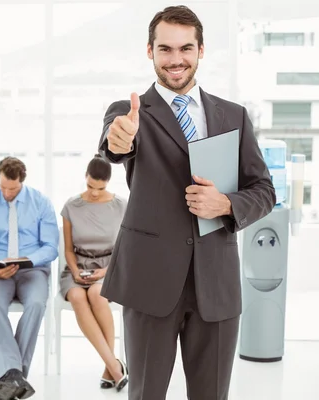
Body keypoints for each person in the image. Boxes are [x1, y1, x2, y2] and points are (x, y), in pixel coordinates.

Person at [98, 6, 276, 400]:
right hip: (150, 281)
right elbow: (114, 145)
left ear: (200, 50)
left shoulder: (233, 116)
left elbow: (264, 190)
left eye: (185, 48)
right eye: (165, 49)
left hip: (216, 282)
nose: (175, 60)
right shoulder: (129, 113)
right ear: (150, 51)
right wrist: (119, 139)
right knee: (146, 394)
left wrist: (225, 204)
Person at [0, 157, 58, 400]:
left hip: (33, 270)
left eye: (12, 188)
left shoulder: (41, 203)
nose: (7, 193)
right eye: (3, 187)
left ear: (22, 181)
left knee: (36, 304)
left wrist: (28, 260)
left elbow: (51, 246)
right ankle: (17, 377)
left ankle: (10, 376)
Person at [59, 155, 129, 391]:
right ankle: (114, 365)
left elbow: (126, 248)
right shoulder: (71, 206)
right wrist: (77, 271)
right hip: (77, 265)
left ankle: (111, 368)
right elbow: (68, 249)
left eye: (101, 188)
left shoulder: (121, 206)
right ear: (85, 179)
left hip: (110, 265)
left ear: (108, 182)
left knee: (97, 295)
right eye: (90, 186)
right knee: (79, 297)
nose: (95, 193)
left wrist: (105, 271)